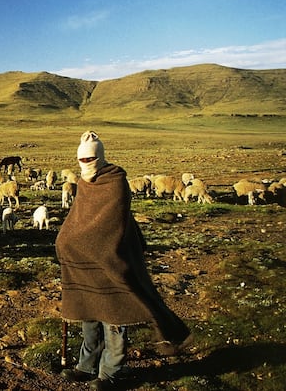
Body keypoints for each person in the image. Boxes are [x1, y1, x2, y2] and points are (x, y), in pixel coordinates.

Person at [55, 131, 191, 390]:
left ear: (100, 156)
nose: (85, 164)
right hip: (88, 262)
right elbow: (78, 221)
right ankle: (86, 366)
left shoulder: (115, 182)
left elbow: (108, 225)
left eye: (90, 158)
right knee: (90, 315)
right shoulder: (85, 184)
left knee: (114, 317)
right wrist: (66, 241)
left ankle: (110, 374)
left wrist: (83, 242)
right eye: (81, 159)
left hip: (113, 258)